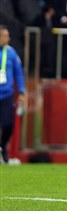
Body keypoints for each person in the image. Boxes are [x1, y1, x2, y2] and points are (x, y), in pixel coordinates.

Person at [0, 25, 26, 164]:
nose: (8, 39)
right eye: (5, 36)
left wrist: (21, 91)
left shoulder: (11, 53)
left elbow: (19, 73)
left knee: (9, 124)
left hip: (6, 94)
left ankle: (3, 146)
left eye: (8, 36)